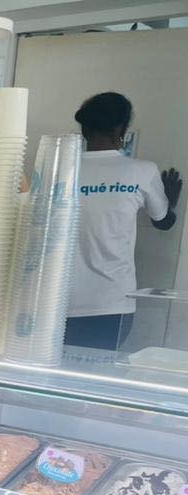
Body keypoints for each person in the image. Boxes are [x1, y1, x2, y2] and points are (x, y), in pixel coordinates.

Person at [66, 92, 181, 351]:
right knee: (99, 381)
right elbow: (163, 222)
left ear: (85, 128)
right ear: (120, 129)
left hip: (57, 299)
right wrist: (171, 201)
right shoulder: (143, 171)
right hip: (112, 303)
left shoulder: (61, 169)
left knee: (52, 383)